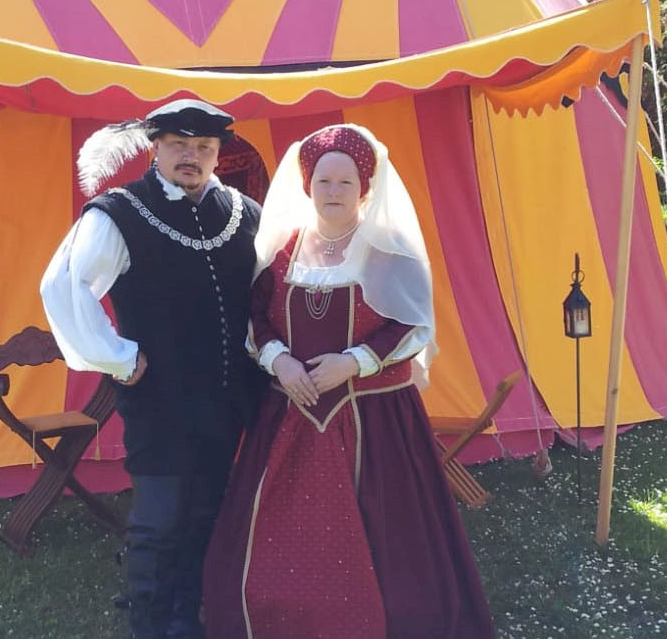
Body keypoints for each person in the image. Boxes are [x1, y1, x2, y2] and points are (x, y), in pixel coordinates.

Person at [201, 124, 495, 638]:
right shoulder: (285, 250)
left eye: (345, 181)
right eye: (323, 181)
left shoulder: (389, 250)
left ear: (364, 186)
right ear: (307, 185)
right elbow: (256, 319)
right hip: (289, 413)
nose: (333, 192)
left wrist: (354, 361)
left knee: (388, 543)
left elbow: (414, 325)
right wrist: (279, 362)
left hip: (373, 421)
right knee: (275, 540)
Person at [41, 99, 262, 639]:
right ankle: (151, 623)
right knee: (160, 520)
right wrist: (117, 356)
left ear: (216, 155)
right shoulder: (119, 212)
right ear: (156, 147)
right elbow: (63, 286)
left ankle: (188, 617)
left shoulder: (243, 212)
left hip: (230, 399)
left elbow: (267, 292)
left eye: (203, 148)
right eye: (179, 145)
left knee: (209, 513)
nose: (191, 156)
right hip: (161, 399)